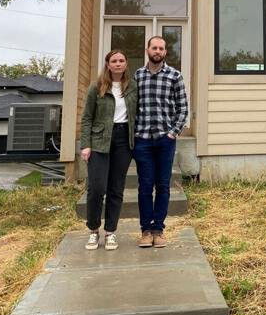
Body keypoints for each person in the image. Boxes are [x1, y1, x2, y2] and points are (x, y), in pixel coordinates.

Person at [132, 36, 188, 248]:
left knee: (163, 186)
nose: (157, 51)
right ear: (147, 49)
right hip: (143, 140)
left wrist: (173, 132)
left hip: (165, 140)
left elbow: (183, 108)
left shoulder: (175, 75)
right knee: (145, 186)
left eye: (161, 48)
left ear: (165, 52)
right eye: (154, 47)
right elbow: (132, 107)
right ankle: (146, 230)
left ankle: (159, 230)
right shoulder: (138, 76)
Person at [79, 49, 137, 251]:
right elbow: (87, 117)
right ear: (108, 64)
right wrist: (85, 144)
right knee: (96, 188)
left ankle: (111, 231)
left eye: (122, 60)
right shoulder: (97, 87)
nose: (118, 63)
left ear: (126, 64)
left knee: (116, 188)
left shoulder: (132, 87)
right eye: (114, 60)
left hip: (123, 140)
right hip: (100, 140)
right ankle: (94, 230)